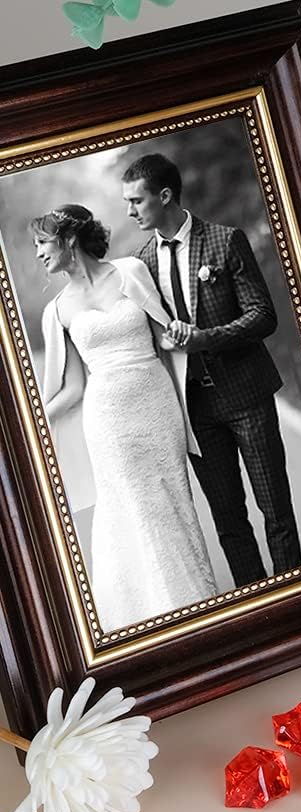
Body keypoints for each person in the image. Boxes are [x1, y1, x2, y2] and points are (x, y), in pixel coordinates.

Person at [121, 153, 301, 587]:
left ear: (165, 196)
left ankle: (296, 593)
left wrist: (205, 337)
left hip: (247, 396)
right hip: (196, 410)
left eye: (136, 200)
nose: (130, 211)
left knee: (275, 509)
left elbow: (263, 316)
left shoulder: (225, 241)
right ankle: (257, 602)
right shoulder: (140, 264)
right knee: (228, 521)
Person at [36, 204, 219, 632]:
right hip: (108, 421)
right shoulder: (56, 311)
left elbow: (162, 338)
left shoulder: (130, 272)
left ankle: (196, 604)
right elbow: (74, 387)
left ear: (68, 239)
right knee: (132, 507)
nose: (38, 253)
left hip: (156, 406)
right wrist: (33, 422)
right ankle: (151, 614)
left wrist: (179, 334)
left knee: (171, 502)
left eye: (42, 242)